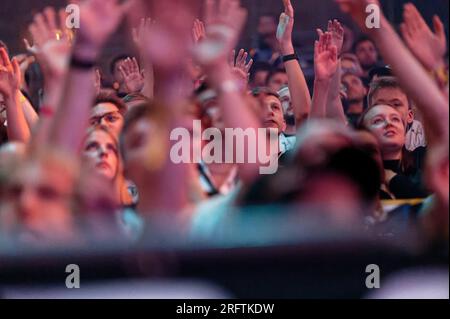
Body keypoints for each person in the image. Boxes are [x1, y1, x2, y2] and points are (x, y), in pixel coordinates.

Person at [367, 76, 427, 151]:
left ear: (410, 116)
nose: (388, 111)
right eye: (380, 105)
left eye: (396, 104)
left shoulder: (425, 160)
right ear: (368, 115)